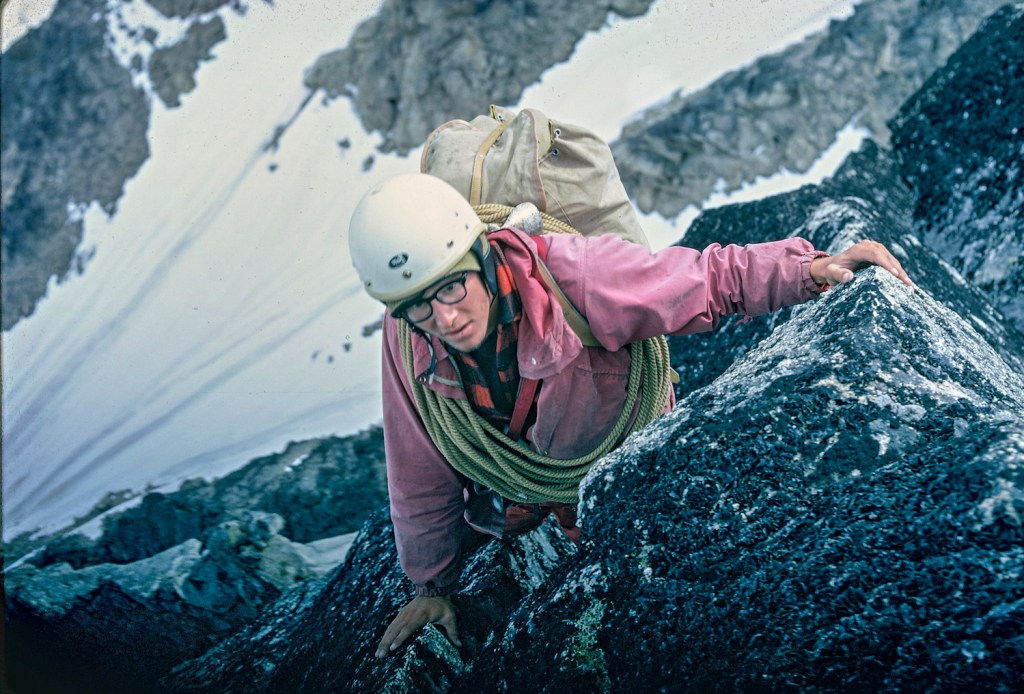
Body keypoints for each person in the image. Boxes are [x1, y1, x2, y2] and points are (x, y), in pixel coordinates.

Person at [347, 173, 913, 659]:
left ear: (483, 257)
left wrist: (808, 271)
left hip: (627, 465)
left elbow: (704, 281)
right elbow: (416, 464)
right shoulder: (407, 337)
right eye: (418, 304)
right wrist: (431, 584)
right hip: (538, 489)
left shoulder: (572, 276)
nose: (442, 319)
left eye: (452, 288)